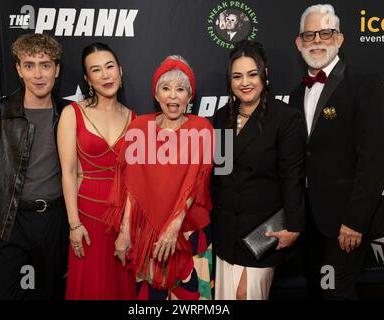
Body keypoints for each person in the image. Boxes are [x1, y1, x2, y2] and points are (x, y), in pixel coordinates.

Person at [289, 4, 384, 299]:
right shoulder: (297, 94)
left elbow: (375, 159)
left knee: (336, 294)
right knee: (318, 291)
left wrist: (355, 221)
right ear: (299, 43)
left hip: (344, 224)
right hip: (308, 224)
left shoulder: (364, 84)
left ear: (340, 39)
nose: (317, 40)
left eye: (326, 32)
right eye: (309, 35)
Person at [0, 33, 69, 300]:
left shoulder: (69, 113)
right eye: (30, 65)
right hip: (6, 219)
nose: (38, 74)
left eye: (45, 64)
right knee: (1, 293)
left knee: (51, 293)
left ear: (56, 69)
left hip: (53, 220)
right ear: (18, 69)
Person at [108, 55, 214, 300]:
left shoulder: (201, 128)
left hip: (189, 230)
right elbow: (131, 186)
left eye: (180, 89)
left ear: (190, 96)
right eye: (165, 89)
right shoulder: (139, 127)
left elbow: (196, 182)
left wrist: (173, 228)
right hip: (147, 233)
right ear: (156, 96)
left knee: (192, 300)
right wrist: (124, 231)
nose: (173, 96)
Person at [212, 40, 306, 300]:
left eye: (252, 74)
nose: (245, 82)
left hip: (261, 232)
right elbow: (221, 172)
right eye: (237, 76)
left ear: (265, 74)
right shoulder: (222, 117)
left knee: (245, 296)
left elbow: (292, 176)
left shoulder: (285, 118)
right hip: (226, 230)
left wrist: (294, 226)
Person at [57, 42, 136, 299]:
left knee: (120, 286)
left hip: (123, 217)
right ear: (87, 79)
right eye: (96, 70)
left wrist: (127, 227)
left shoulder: (134, 119)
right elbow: (68, 172)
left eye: (110, 67)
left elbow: (136, 179)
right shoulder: (72, 114)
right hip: (87, 218)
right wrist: (73, 224)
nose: (105, 75)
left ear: (121, 71)